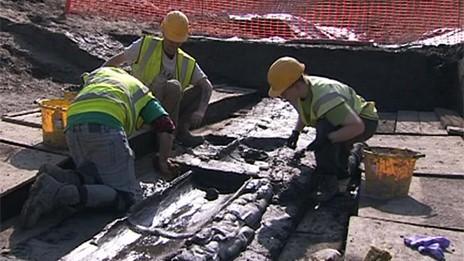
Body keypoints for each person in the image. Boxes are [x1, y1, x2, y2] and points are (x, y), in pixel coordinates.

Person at [20, 67, 176, 228]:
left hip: (73, 123)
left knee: (95, 178)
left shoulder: (105, 74)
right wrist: (163, 161)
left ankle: (56, 175)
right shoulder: (143, 93)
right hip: (105, 126)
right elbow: (166, 126)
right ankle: (57, 193)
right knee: (127, 197)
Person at [267, 57, 379, 202]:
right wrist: (296, 133)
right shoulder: (303, 91)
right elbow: (306, 112)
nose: (282, 96)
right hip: (346, 121)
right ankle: (353, 156)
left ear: (296, 86)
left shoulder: (325, 98)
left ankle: (329, 185)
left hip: (364, 120)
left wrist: (327, 139)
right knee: (340, 163)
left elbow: (357, 127)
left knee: (325, 133)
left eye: (283, 92)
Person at [103, 10, 213, 147]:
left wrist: (201, 111)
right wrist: (97, 76)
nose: (173, 45)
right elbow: (117, 60)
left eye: (177, 42)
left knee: (196, 90)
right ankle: (165, 136)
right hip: (143, 107)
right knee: (173, 87)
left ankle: (180, 131)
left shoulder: (186, 62)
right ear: (163, 34)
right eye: (171, 40)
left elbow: (207, 86)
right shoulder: (145, 46)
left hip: (170, 107)